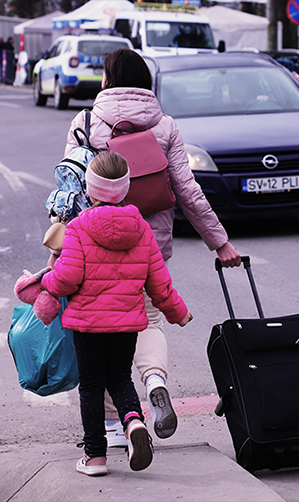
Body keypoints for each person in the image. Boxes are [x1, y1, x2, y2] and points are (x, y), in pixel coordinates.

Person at [61, 48, 241, 448]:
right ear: (146, 83)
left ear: (106, 81)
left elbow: (69, 189)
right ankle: (155, 379)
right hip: (148, 244)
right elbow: (188, 191)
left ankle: (112, 426)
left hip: (91, 244)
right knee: (149, 320)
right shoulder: (165, 126)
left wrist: (60, 250)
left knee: (100, 327)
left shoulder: (86, 122)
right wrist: (220, 242)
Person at [41, 151, 194, 476]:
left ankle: (95, 457)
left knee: (92, 387)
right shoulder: (140, 228)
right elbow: (159, 282)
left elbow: (67, 277)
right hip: (126, 325)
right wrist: (178, 312)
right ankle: (134, 422)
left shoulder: (79, 227)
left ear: (91, 191)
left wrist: (46, 283)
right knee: (121, 378)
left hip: (88, 324)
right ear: (124, 190)